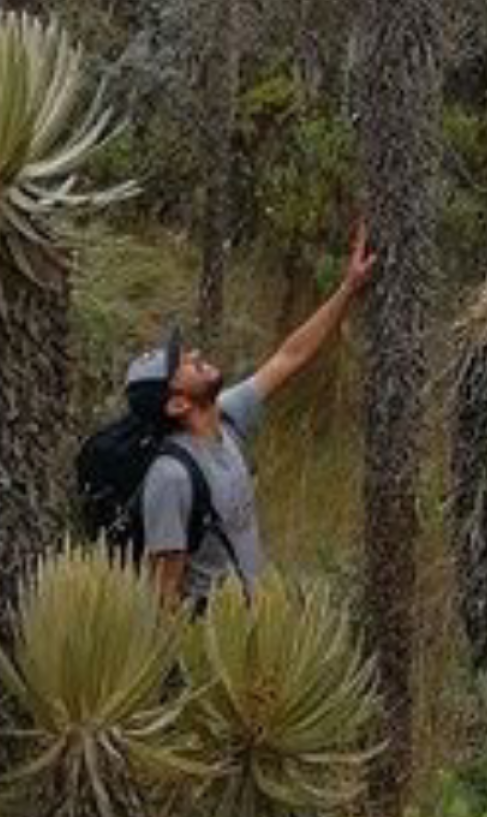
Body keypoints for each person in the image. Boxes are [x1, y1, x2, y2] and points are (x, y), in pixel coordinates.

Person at [125, 225, 376, 608]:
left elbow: (289, 358)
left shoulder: (225, 416)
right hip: (210, 646)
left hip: (253, 624)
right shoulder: (170, 478)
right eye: (181, 364)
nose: (192, 355)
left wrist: (348, 288)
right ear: (177, 405)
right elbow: (165, 595)